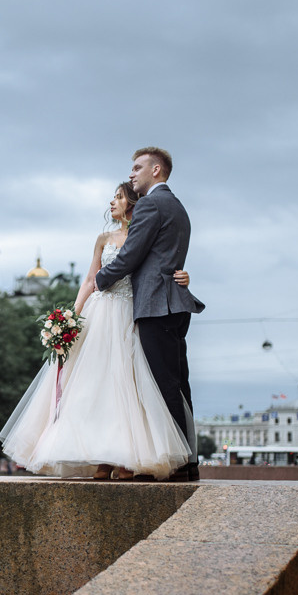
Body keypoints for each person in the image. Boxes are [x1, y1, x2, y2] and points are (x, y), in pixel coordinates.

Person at [0, 181, 194, 480]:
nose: (112, 202)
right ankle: (101, 460)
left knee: (126, 385)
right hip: (98, 314)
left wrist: (182, 276)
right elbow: (90, 280)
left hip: (128, 314)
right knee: (92, 384)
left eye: (118, 197)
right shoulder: (102, 238)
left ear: (132, 203)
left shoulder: (142, 237)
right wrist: (70, 320)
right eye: (113, 197)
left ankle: (126, 459)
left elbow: (161, 266)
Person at [95, 147, 205, 481]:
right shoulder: (179, 206)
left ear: (156, 170)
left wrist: (100, 280)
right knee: (178, 384)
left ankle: (174, 462)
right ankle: (188, 461)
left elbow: (130, 255)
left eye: (138, 167)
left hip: (155, 305)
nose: (132, 174)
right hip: (175, 303)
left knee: (160, 385)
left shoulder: (150, 204)